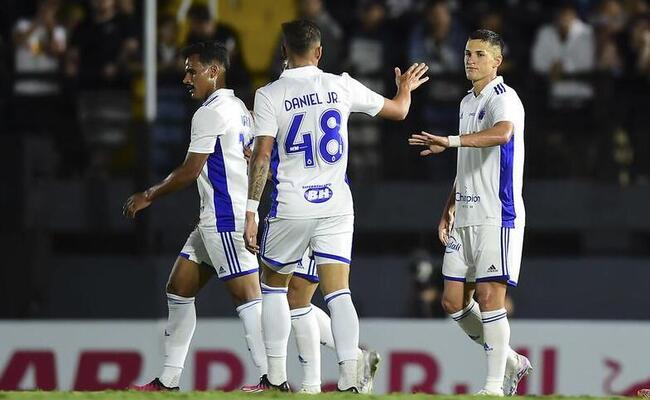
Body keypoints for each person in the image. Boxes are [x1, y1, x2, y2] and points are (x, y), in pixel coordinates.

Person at [244, 19, 428, 392]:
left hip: (292, 203)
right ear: (319, 52)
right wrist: (404, 89)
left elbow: (262, 156)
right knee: (338, 291)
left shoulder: (269, 94)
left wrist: (250, 209)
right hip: (336, 204)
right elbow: (398, 111)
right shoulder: (339, 84)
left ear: (283, 52)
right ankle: (350, 376)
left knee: (274, 287)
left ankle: (276, 379)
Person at [123, 41, 266, 391]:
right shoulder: (240, 108)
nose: (186, 77)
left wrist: (148, 195)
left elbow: (189, 171)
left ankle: (272, 378)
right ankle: (169, 379)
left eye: (193, 69)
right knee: (178, 289)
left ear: (213, 71)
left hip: (225, 219)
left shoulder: (210, 112)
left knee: (253, 300)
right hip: (213, 220)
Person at [408, 29, 532, 396]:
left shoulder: (503, 97)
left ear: (497, 61)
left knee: (492, 298)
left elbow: (503, 134)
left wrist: (449, 141)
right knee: (452, 301)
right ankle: (510, 359)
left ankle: (494, 386)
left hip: (498, 213)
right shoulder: (465, 103)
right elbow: (468, 162)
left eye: (479, 54)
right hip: (466, 213)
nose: (470, 59)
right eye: (467, 53)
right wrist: (449, 207)